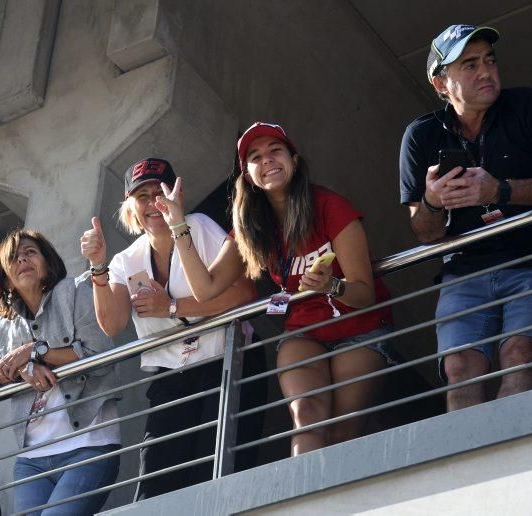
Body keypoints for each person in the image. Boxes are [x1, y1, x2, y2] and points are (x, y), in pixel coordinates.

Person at [154, 124, 397, 456]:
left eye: (275, 150)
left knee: (343, 429)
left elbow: (365, 294)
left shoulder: (329, 205)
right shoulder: (251, 227)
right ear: (248, 175)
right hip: (305, 332)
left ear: (294, 160)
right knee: (306, 416)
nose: (266, 160)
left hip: (360, 325)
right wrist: (178, 224)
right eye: (255, 156)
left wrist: (332, 285)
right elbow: (206, 289)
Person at [399, 24, 532, 411]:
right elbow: (425, 232)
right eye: (470, 64)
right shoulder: (421, 135)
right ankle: (468, 469)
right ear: (441, 84)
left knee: (521, 357)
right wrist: (433, 201)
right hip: (463, 273)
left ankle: (517, 464)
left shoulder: (529, 105)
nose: (486, 71)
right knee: (459, 369)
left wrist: (500, 191)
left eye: (490, 60)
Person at [80, 157, 258, 500]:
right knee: (155, 488)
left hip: (227, 360)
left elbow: (245, 293)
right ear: (130, 206)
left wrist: (173, 307)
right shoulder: (124, 260)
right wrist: (98, 266)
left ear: (175, 194)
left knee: (219, 476)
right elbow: (112, 323)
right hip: (169, 378)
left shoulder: (199, 226)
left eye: (158, 191)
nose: (152, 203)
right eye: (142, 196)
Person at [0, 229, 121, 515]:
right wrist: (23, 370)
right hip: (32, 459)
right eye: (13, 258)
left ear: (47, 263)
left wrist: (34, 351)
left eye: (30, 252)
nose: (23, 260)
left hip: (88, 445)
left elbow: (101, 355)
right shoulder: (7, 326)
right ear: (4, 278)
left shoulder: (75, 292)